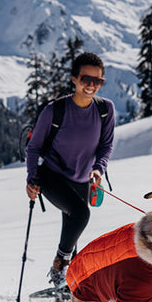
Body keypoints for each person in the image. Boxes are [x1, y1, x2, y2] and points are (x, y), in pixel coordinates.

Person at [25, 52, 115, 288]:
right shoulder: (54, 111)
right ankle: (59, 267)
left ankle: (66, 284)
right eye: (86, 79)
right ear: (74, 79)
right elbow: (33, 148)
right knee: (81, 214)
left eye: (98, 81)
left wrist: (98, 169)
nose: (92, 85)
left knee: (72, 233)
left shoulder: (105, 110)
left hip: (83, 179)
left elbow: (106, 146)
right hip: (51, 176)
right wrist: (31, 178)